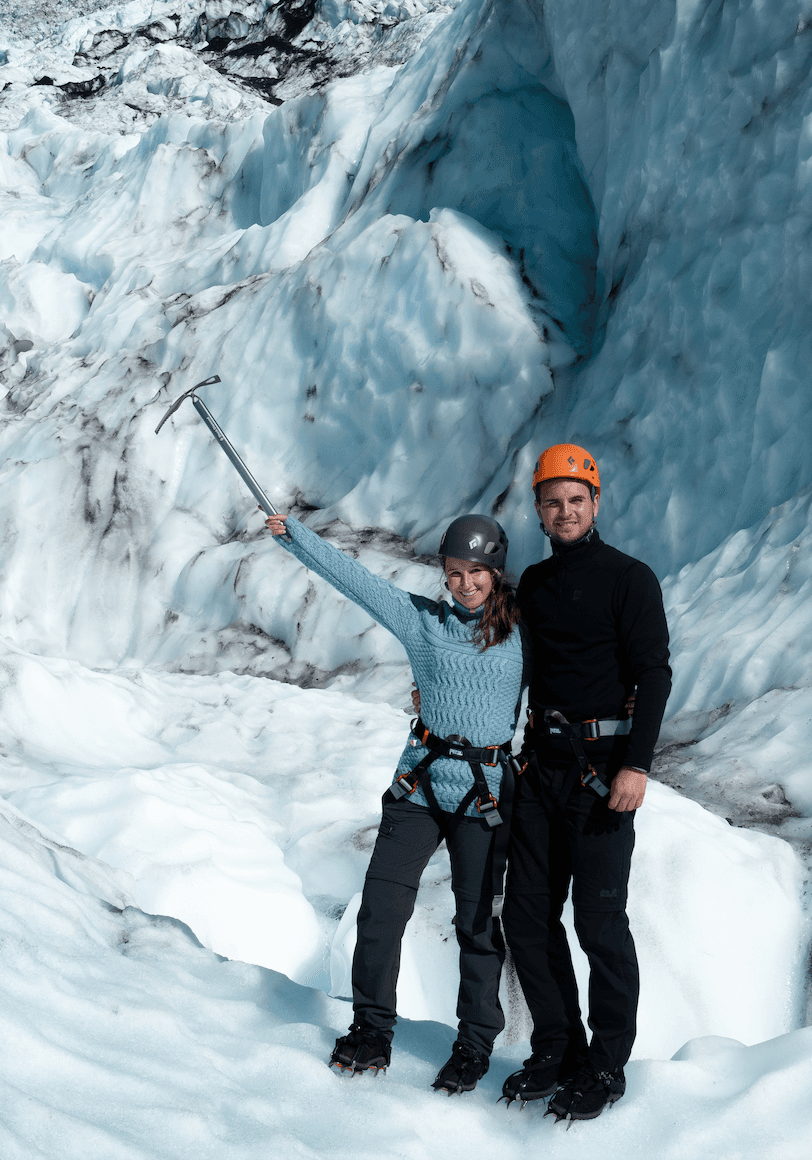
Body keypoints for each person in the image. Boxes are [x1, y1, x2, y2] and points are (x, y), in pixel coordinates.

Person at [265, 509, 525, 1094]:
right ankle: (371, 1028)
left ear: (497, 572)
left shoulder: (521, 633)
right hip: (419, 787)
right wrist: (295, 538)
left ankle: (475, 1044)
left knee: (477, 925)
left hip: (483, 796)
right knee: (380, 913)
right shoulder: (423, 623)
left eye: (477, 571)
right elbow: (357, 582)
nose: (465, 583)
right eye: (455, 572)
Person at [500, 443, 671, 1122]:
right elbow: (518, 671)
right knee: (527, 916)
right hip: (540, 768)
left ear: (595, 503)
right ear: (538, 511)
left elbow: (653, 673)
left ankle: (605, 1065)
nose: (565, 511)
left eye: (576, 500)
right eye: (553, 502)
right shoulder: (535, 586)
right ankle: (557, 1047)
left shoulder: (631, 579)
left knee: (600, 923)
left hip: (604, 775)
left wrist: (638, 764)